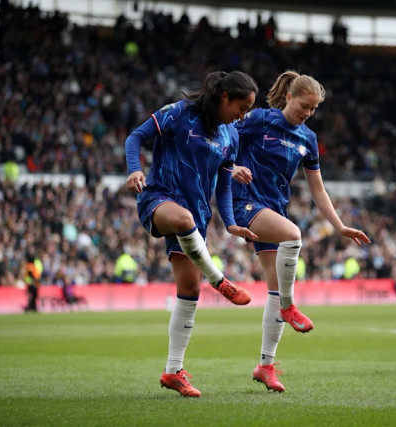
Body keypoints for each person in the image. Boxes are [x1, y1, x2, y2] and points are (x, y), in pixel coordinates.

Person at [231, 70, 371, 392]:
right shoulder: (260, 120)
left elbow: (318, 190)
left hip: (273, 209)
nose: (307, 113)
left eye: (313, 109)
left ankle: (265, 366)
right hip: (246, 202)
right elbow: (224, 138)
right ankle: (290, 307)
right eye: (304, 105)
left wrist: (339, 226)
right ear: (289, 97)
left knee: (275, 288)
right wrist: (231, 166)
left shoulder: (307, 139)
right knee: (294, 235)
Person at [124, 70, 259, 397]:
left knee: (188, 289)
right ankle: (220, 280)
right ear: (224, 97)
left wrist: (229, 222)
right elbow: (134, 138)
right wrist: (134, 169)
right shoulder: (179, 113)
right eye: (241, 107)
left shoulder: (230, 135)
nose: (243, 115)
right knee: (183, 219)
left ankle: (173, 371)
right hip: (159, 198)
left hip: (197, 216)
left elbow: (224, 186)